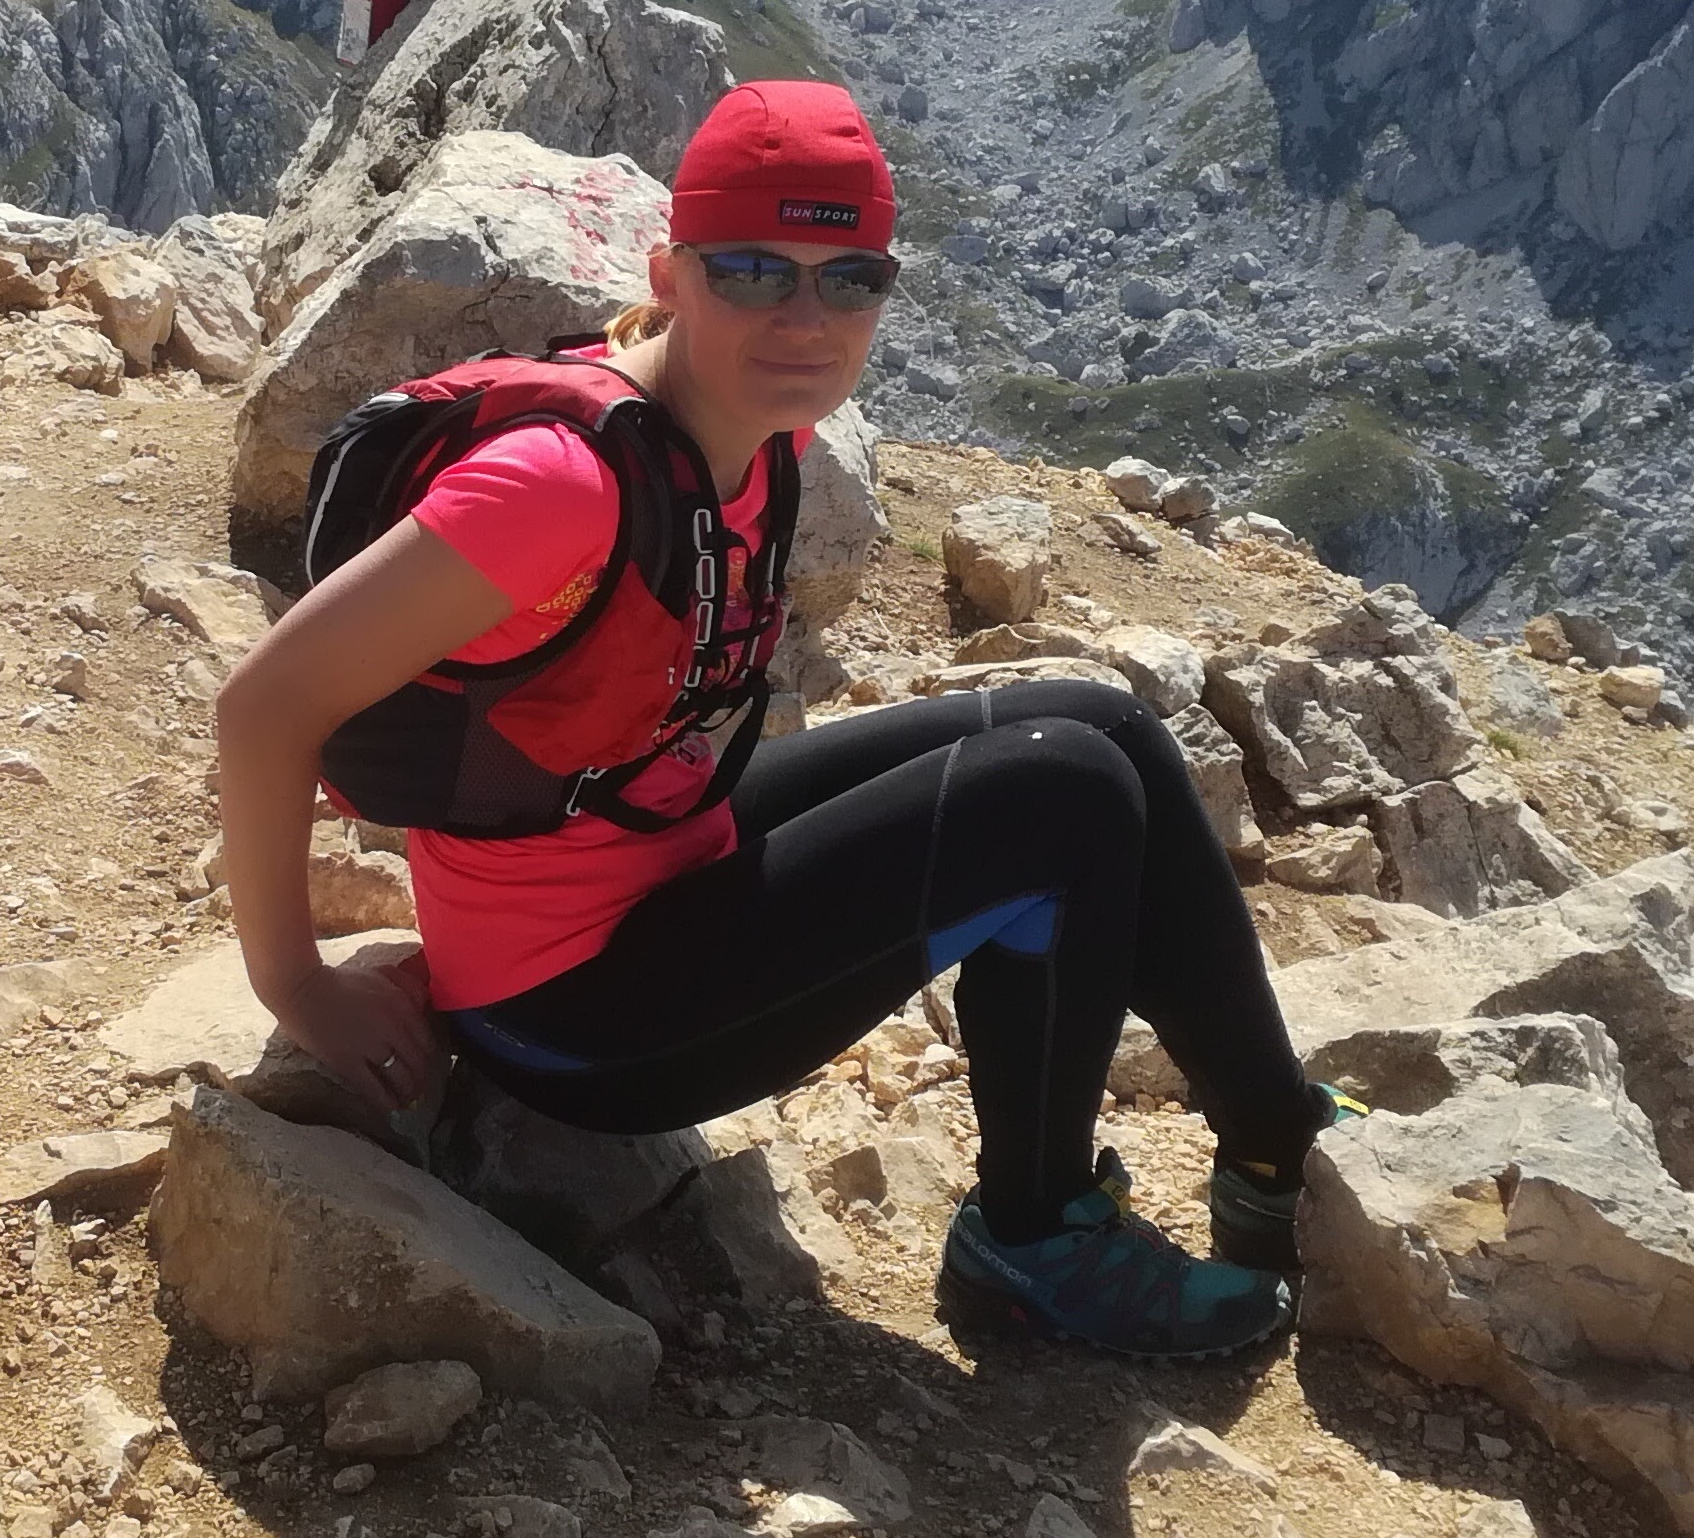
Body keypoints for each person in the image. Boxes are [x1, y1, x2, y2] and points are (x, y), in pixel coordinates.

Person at [213, 78, 1344, 1360]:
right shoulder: (560, 485)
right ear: (670, 276)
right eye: (752, 272)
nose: (805, 319)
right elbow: (265, 707)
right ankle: (1033, 1236)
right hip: (577, 1016)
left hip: (667, 862)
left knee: (1104, 725)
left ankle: (1276, 1153)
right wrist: (296, 982)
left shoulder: (744, 425)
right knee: (1065, 798)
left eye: (848, 280)